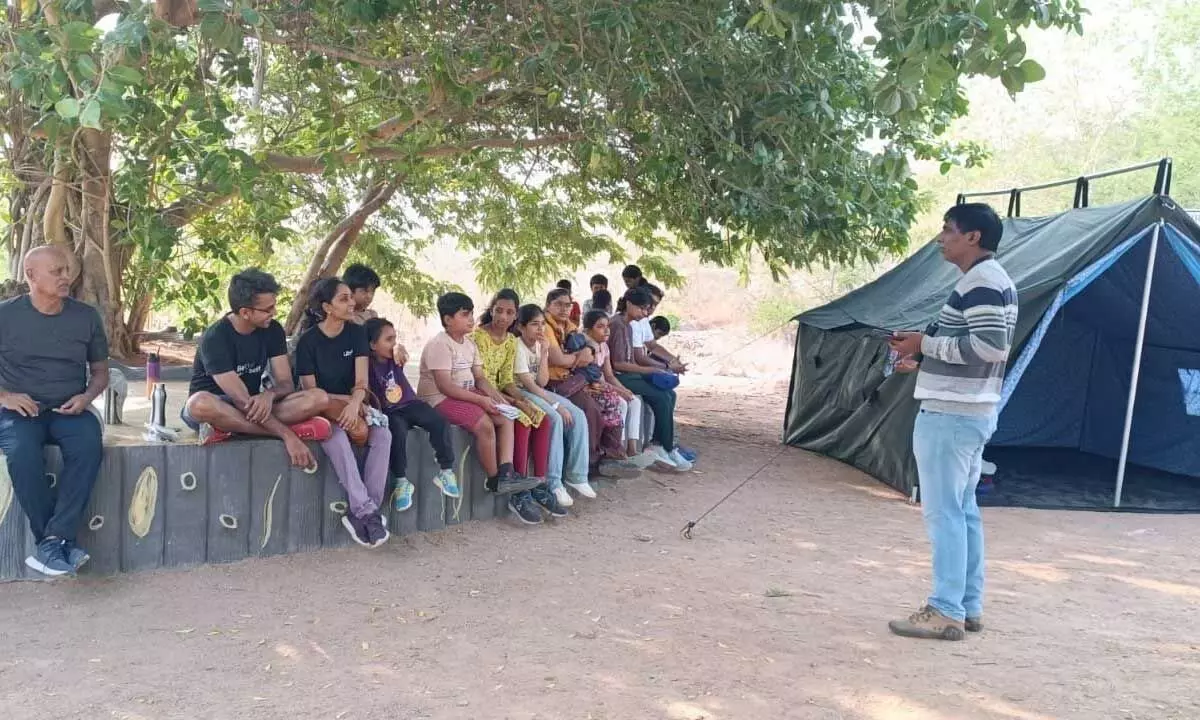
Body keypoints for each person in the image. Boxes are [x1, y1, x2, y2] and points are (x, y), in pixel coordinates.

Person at [886, 203, 1017, 641]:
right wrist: (921, 356)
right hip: (968, 412)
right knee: (963, 512)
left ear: (973, 237)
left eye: (947, 230)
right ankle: (968, 605)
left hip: (951, 417)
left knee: (944, 514)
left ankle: (945, 610)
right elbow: (970, 346)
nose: (941, 237)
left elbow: (990, 346)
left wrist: (926, 343)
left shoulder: (981, 281)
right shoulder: (990, 280)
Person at [0, 246, 108, 576]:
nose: (66, 277)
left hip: (69, 408)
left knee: (90, 446)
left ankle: (52, 542)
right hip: (20, 411)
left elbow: (101, 371)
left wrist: (87, 397)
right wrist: (5, 396)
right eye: (57, 272)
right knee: (22, 453)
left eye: (67, 270)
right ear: (30, 276)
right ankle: (55, 541)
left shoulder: (86, 316)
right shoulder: (5, 315)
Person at [182, 269, 330, 469]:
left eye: (274, 306)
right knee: (199, 403)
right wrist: (288, 436)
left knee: (318, 397)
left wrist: (269, 395)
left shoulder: (273, 330)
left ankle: (228, 430)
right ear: (245, 312)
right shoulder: (215, 338)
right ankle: (280, 430)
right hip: (218, 406)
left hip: (254, 406)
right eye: (267, 309)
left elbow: (286, 383)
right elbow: (241, 400)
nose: (274, 313)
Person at [417, 292, 539, 507]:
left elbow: (480, 379)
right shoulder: (440, 344)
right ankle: (494, 480)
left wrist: (498, 399)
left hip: (465, 393)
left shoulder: (468, 344)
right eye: (464, 314)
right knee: (485, 425)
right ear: (447, 319)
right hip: (438, 399)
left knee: (505, 416)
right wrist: (481, 401)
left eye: (472, 313)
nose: (471, 319)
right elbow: (445, 387)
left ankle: (506, 473)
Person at [295, 278, 392, 548]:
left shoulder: (356, 334)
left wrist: (354, 403)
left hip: (354, 403)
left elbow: (362, 382)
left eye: (351, 297)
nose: (352, 303)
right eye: (343, 299)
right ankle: (367, 512)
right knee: (335, 437)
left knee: (383, 435)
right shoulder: (308, 343)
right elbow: (312, 394)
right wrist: (344, 404)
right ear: (327, 307)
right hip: (321, 409)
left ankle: (364, 511)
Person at [471, 290, 567, 523]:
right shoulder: (478, 337)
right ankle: (519, 491)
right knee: (520, 422)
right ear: (491, 310)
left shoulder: (511, 342)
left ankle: (540, 484)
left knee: (541, 418)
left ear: (515, 317)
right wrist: (511, 402)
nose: (503, 317)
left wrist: (521, 401)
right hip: (478, 392)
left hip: (500, 393)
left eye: (509, 312)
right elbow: (479, 378)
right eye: (499, 310)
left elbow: (505, 380)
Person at [365, 317, 459, 513]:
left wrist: (398, 347)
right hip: (388, 411)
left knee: (438, 421)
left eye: (394, 338)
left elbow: (402, 352)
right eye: (388, 339)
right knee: (396, 432)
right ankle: (401, 481)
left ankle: (446, 470)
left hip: (410, 403)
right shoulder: (365, 365)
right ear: (373, 345)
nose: (393, 343)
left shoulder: (395, 357)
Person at [544, 288, 639, 480]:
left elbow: (587, 355)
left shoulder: (568, 325)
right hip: (555, 382)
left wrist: (581, 355)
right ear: (548, 305)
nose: (564, 309)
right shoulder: (546, 326)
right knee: (590, 410)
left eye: (567, 305)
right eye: (558, 304)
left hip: (572, 379)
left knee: (611, 402)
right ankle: (587, 464)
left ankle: (608, 456)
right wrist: (579, 357)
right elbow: (558, 360)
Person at [512, 304, 593, 506]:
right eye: (534, 325)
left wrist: (545, 353)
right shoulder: (516, 346)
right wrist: (557, 406)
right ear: (521, 327)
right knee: (555, 418)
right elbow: (531, 385)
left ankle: (578, 476)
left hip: (537, 389)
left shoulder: (540, 345)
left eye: (541, 324)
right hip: (520, 390)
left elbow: (542, 381)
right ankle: (554, 482)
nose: (540, 329)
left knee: (579, 416)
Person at [608, 287, 692, 471]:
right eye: (642, 309)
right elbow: (619, 364)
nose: (645, 313)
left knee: (669, 394)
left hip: (629, 373)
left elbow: (643, 351)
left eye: (647, 309)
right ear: (629, 304)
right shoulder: (616, 324)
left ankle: (662, 444)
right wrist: (651, 369)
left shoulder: (628, 324)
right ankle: (663, 446)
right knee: (661, 397)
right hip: (617, 376)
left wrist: (658, 368)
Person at [583, 310, 643, 459]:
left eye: (607, 326)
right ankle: (616, 447)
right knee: (621, 403)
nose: (606, 330)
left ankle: (632, 447)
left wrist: (623, 389)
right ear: (588, 330)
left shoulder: (604, 347)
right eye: (600, 326)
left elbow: (609, 375)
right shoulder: (587, 348)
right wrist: (619, 392)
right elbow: (596, 380)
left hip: (604, 386)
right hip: (593, 388)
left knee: (634, 401)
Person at [344, 262, 410, 367]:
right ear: (349, 290)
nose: (369, 296)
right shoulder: (342, 317)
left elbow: (383, 341)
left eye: (372, 292)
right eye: (364, 291)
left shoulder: (372, 316)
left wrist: (395, 348)